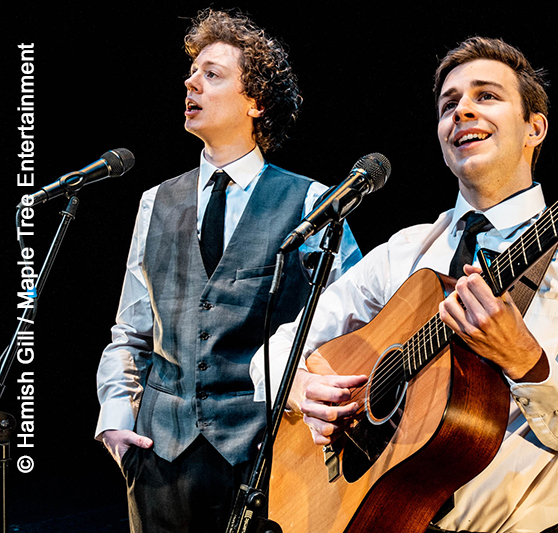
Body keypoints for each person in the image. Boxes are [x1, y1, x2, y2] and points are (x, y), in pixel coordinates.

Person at [252, 36, 558, 533]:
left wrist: (527, 363)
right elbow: (275, 353)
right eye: (448, 104)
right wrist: (302, 389)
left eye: (487, 96)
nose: (462, 111)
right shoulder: (405, 251)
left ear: (534, 128)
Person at [94, 9, 361, 532]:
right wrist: (116, 422)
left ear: (255, 101)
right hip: (158, 457)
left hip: (266, 457)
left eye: (212, 74)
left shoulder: (312, 202)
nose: (191, 82)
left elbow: (353, 328)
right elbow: (131, 331)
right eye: (192, 73)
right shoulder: (155, 201)